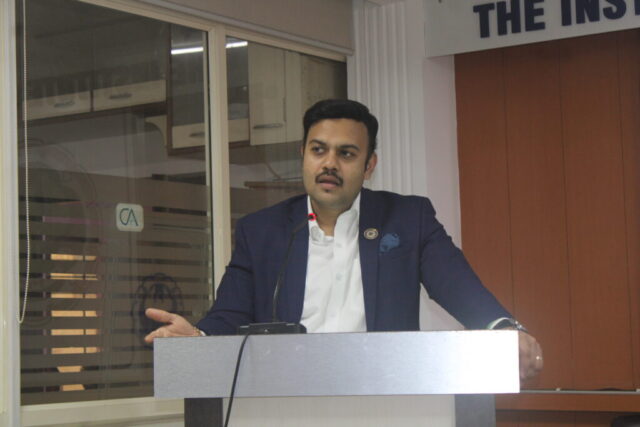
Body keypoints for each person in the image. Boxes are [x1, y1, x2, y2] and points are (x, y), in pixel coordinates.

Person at [145, 99, 543, 380]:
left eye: (347, 154)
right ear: (303, 154)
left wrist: (503, 328)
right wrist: (198, 337)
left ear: (369, 166)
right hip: (283, 401)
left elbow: (457, 285)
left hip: (384, 398)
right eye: (318, 150)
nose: (329, 164)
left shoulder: (407, 218)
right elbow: (231, 313)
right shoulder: (262, 230)